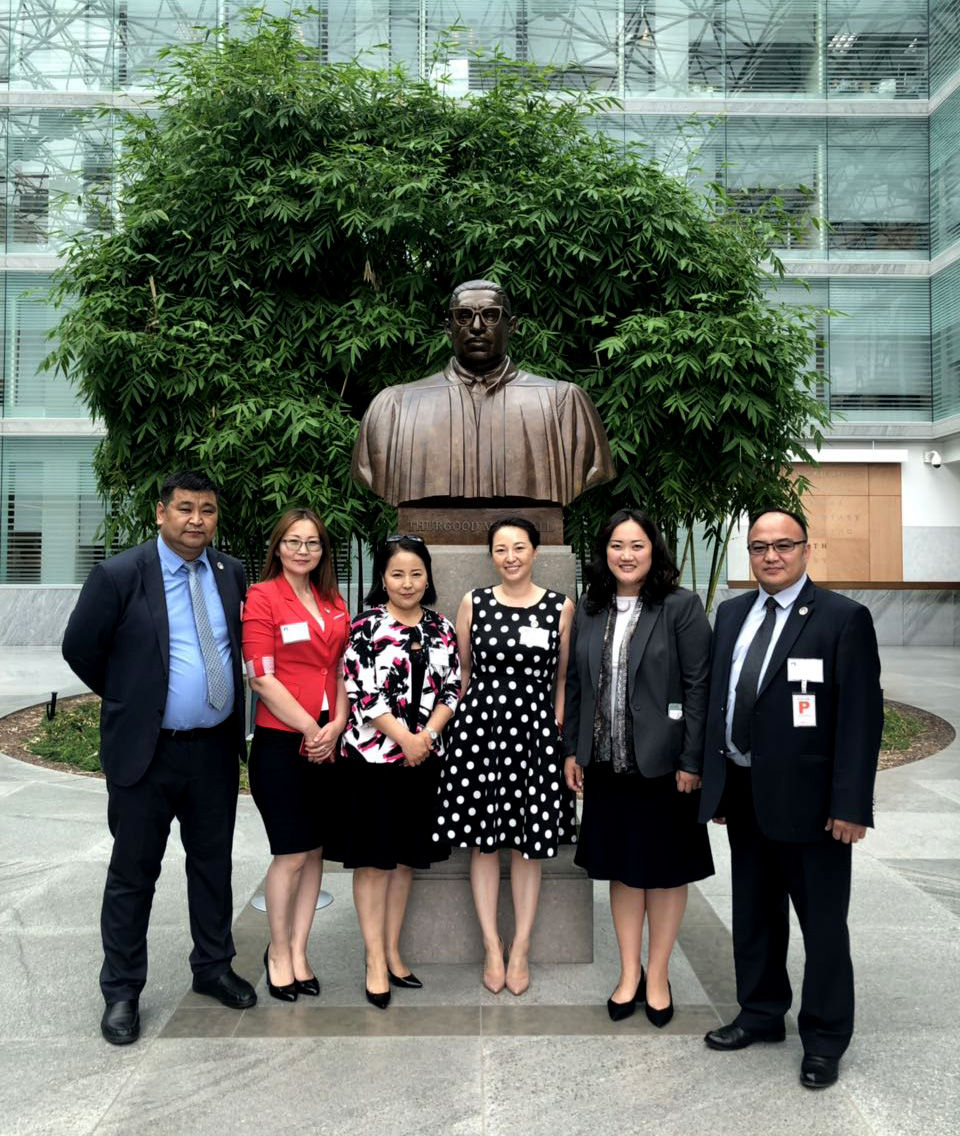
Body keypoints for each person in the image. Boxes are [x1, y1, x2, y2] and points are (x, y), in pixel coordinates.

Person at [62, 470, 256, 1046]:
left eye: (207, 510)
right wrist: (133, 699)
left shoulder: (230, 572)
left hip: (213, 752)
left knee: (212, 865)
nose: (197, 519)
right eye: (185, 508)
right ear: (160, 512)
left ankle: (213, 967)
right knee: (133, 874)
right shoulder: (120, 575)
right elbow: (80, 649)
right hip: (146, 753)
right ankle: (122, 991)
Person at [699, 509, 883, 1090]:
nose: (771, 556)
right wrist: (719, 783)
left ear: (806, 549)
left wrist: (850, 805)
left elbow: (861, 718)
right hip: (746, 792)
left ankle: (824, 1038)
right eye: (759, 546)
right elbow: (722, 701)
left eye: (783, 545)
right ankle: (761, 1013)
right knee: (754, 913)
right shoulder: (731, 614)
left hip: (814, 804)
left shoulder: (842, 618)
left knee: (822, 926)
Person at [562, 509, 714, 1026]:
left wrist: (692, 759)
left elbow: (699, 687)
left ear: (655, 550)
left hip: (666, 766)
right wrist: (574, 751)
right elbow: (576, 685)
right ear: (603, 552)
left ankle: (658, 975)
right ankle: (629, 972)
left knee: (666, 872)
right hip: (608, 765)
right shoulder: (591, 606)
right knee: (624, 871)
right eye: (616, 545)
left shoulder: (680, 606)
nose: (626, 555)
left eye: (637, 545)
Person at [435, 517, 576, 995]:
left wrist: (556, 733)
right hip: (479, 733)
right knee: (485, 842)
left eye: (519, 547)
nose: (510, 557)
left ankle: (521, 947)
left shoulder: (560, 606)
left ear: (535, 551)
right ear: (491, 555)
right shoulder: (474, 602)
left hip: (535, 735)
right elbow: (463, 672)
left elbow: (562, 679)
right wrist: (460, 731)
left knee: (528, 844)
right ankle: (491, 945)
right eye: (500, 549)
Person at [351, 280, 615, 506]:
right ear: (448, 327)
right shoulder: (396, 407)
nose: (476, 326)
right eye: (464, 316)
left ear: (511, 326)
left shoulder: (562, 403)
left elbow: (593, 470)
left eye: (490, 315)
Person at [337, 535, 461, 1008]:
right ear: (383, 579)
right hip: (374, 761)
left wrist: (425, 737)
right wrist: (405, 739)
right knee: (374, 862)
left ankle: (392, 951)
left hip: (424, 759)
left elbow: (452, 688)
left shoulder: (441, 627)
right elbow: (362, 693)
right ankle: (373, 960)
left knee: (405, 860)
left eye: (415, 574)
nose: (407, 583)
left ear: (427, 577)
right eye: (397, 574)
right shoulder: (365, 625)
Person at [242, 508, 349, 1001]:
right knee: (290, 853)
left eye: (312, 543)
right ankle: (278, 952)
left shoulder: (332, 600)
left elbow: (343, 669)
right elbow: (261, 677)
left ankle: (301, 951)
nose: (303, 550)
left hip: (329, 740)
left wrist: (337, 725)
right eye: (293, 541)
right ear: (278, 546)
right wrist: (309, 727)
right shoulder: (262, 597)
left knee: (315, 852)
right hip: (283, 743)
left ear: (323, 551)